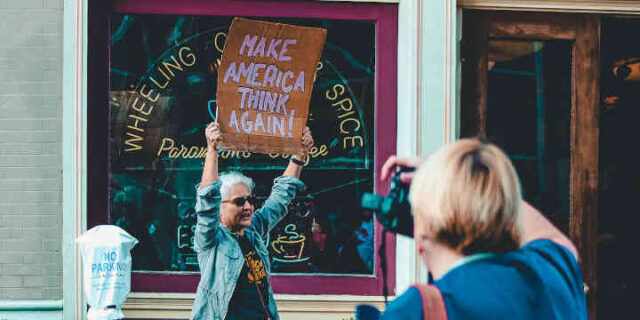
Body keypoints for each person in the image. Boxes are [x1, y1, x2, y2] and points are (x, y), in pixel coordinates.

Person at [366, 138, 587, 319]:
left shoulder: (418, 310)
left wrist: (443, 181)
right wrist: (472, 187)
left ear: (423, 234)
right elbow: (555, 240)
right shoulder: (549, 277)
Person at [190, 122, 314, 320]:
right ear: (220, 208)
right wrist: (212, 149)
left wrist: (299, 155)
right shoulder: (211, 240)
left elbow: (281, 197)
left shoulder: (252, 231)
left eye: (250, 200)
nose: (248, 206)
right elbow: (207, 200)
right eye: (239, 201)